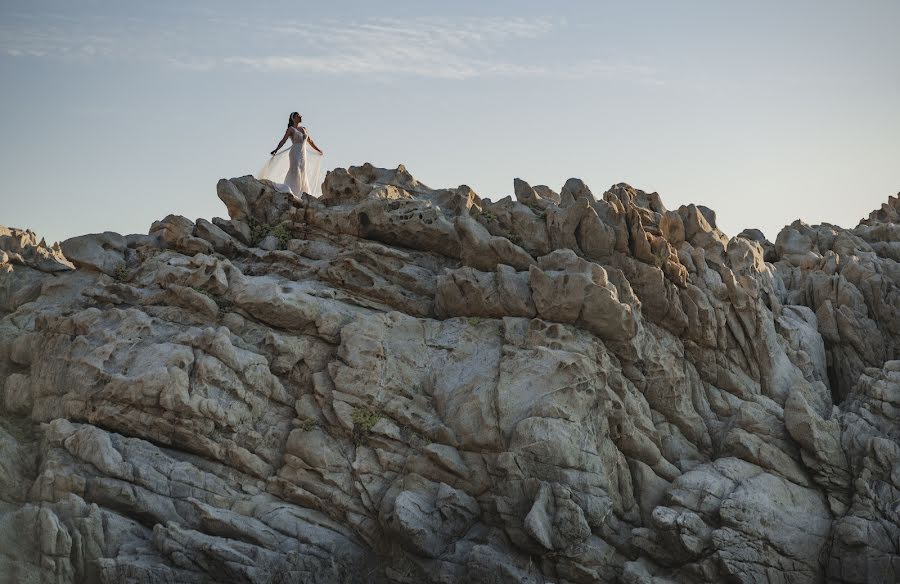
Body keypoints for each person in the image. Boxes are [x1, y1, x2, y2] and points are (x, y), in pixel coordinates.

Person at [257, 112, 325, 197]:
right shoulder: (291, 129)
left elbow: (310, 141)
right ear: (293, 118)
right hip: (294, 152)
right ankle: (292, 192)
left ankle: (301, 193)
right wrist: (276, 149)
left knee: (302, 171)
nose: (301, 116)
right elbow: (283, 140)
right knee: (295, 170)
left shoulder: (304, 129)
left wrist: (318, 150)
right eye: (298, 116)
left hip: (303, 154)